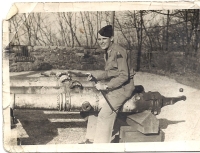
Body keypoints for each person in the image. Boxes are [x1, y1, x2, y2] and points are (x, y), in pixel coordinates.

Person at [80, 25, 135, 143]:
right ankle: (91, 141)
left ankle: (101, 147)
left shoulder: (118, 51)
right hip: (116, 87)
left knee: (104, 115)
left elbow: (124, 76)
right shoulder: (108, 52)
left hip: (123, 89)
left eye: (104, 39)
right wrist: (96, 76)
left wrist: (106, 86)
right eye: (99, 39)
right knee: (94, 108)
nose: (101, 42)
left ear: (112, 38)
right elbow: (110, 72)